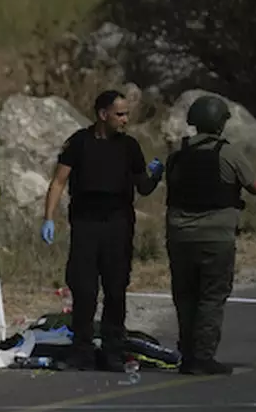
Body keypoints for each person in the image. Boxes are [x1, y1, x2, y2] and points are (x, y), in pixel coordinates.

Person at [41, 89, 164, 371]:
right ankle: (82, 350)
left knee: (115, 288)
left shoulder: (130, 146)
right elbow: (59, 181)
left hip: (118, 224)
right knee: (84, 289)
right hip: (85, 224)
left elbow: (142, 185)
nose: (124, 120)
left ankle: (112, 350)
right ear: (103, 114)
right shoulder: (79, 143)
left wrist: (155, 174)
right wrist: (48, 217)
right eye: (119, 114)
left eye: (126, 115)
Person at [164, 95, 256, 376]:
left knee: (185, 296)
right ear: (220, 124)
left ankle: (186, 354)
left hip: (179, 235)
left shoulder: (177, 154)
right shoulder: (228, 153)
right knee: (211, 296)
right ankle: (203, 357)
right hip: (215, 236)